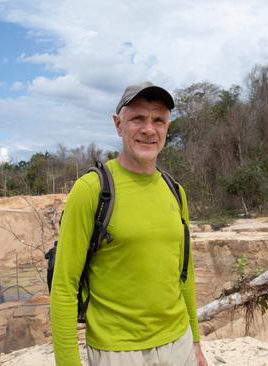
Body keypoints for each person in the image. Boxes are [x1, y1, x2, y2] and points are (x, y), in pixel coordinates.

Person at [50, 81, 208, 366]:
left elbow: (184, 273)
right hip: (118, 351)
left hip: (179, 343)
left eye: (158, 120)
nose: (149, 129)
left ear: (167, 128)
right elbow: (64, 286)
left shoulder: (176, 191)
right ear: (118, 124)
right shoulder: (91, 191)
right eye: (138, 118)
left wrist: (195, 341)